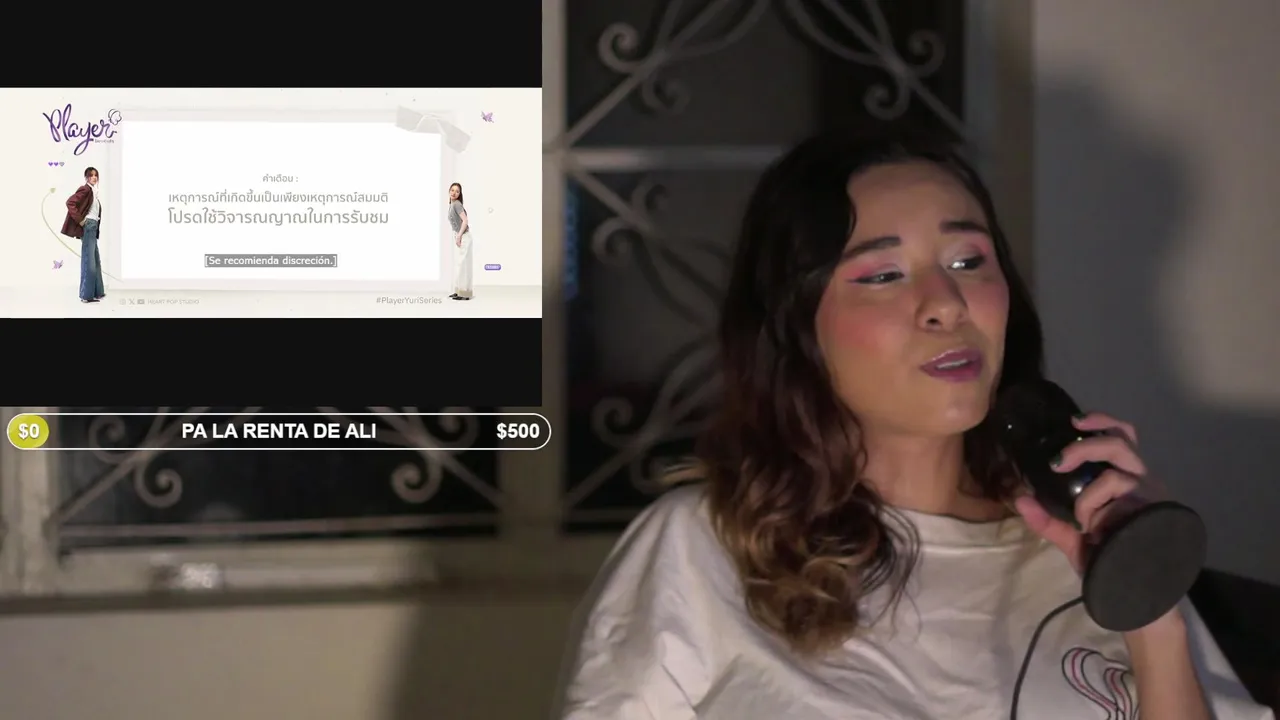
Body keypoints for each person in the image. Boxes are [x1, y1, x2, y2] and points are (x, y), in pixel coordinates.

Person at [554, 132, 1273, 719]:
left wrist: (1150, 610)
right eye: (883, 275)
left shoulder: (1088, 543)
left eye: (968, 260)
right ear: (797, 327)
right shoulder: (701, 550)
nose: (946, 303)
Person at [62, 166, 106, 304]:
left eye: (95, 175)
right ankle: (86, 296)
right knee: (89, 261)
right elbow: (70, 202)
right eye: (91, 175)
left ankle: (97, 292)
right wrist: (80, 220)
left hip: (93, 227)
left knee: (96, 260)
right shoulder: (85, 189)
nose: (94, 177)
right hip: (88, 226)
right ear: (86, 177)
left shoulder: (93, 191)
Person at [448, 182, 473, 300]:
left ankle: (464, 293)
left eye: (457, 191)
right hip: (459, 236)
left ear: (459, 194)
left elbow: (465, 221)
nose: (454, 193)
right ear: (449, 191)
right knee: (459, 264)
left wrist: (459, 236)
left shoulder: (457, 204)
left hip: (464, 236)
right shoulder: (452, 204)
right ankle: (459, 291)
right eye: (452, 190)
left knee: (463, 265)